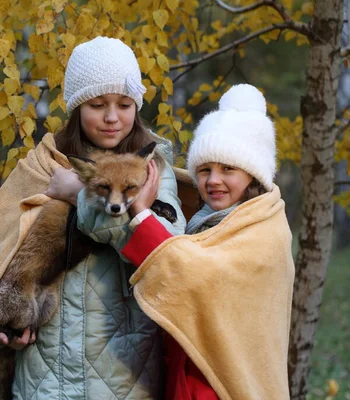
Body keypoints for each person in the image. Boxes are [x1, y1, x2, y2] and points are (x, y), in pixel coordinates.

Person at [0, 36, 186, 399]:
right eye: (97, 104)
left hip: (124, 378)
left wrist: (77, 197)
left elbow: (169, 255)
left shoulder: (152, 169)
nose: (112, 117)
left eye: (125, 104)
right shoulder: (43, 166)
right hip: (42, 378)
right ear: (78, 106)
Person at [119, 84, 295, 400]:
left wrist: (142, 215)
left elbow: (196, 278)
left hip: (218, 388)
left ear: (253, 175)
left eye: (228, 169)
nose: (213, 180)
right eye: (204, 170)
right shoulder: (207, 218)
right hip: (186, 380)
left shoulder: (265, 230)